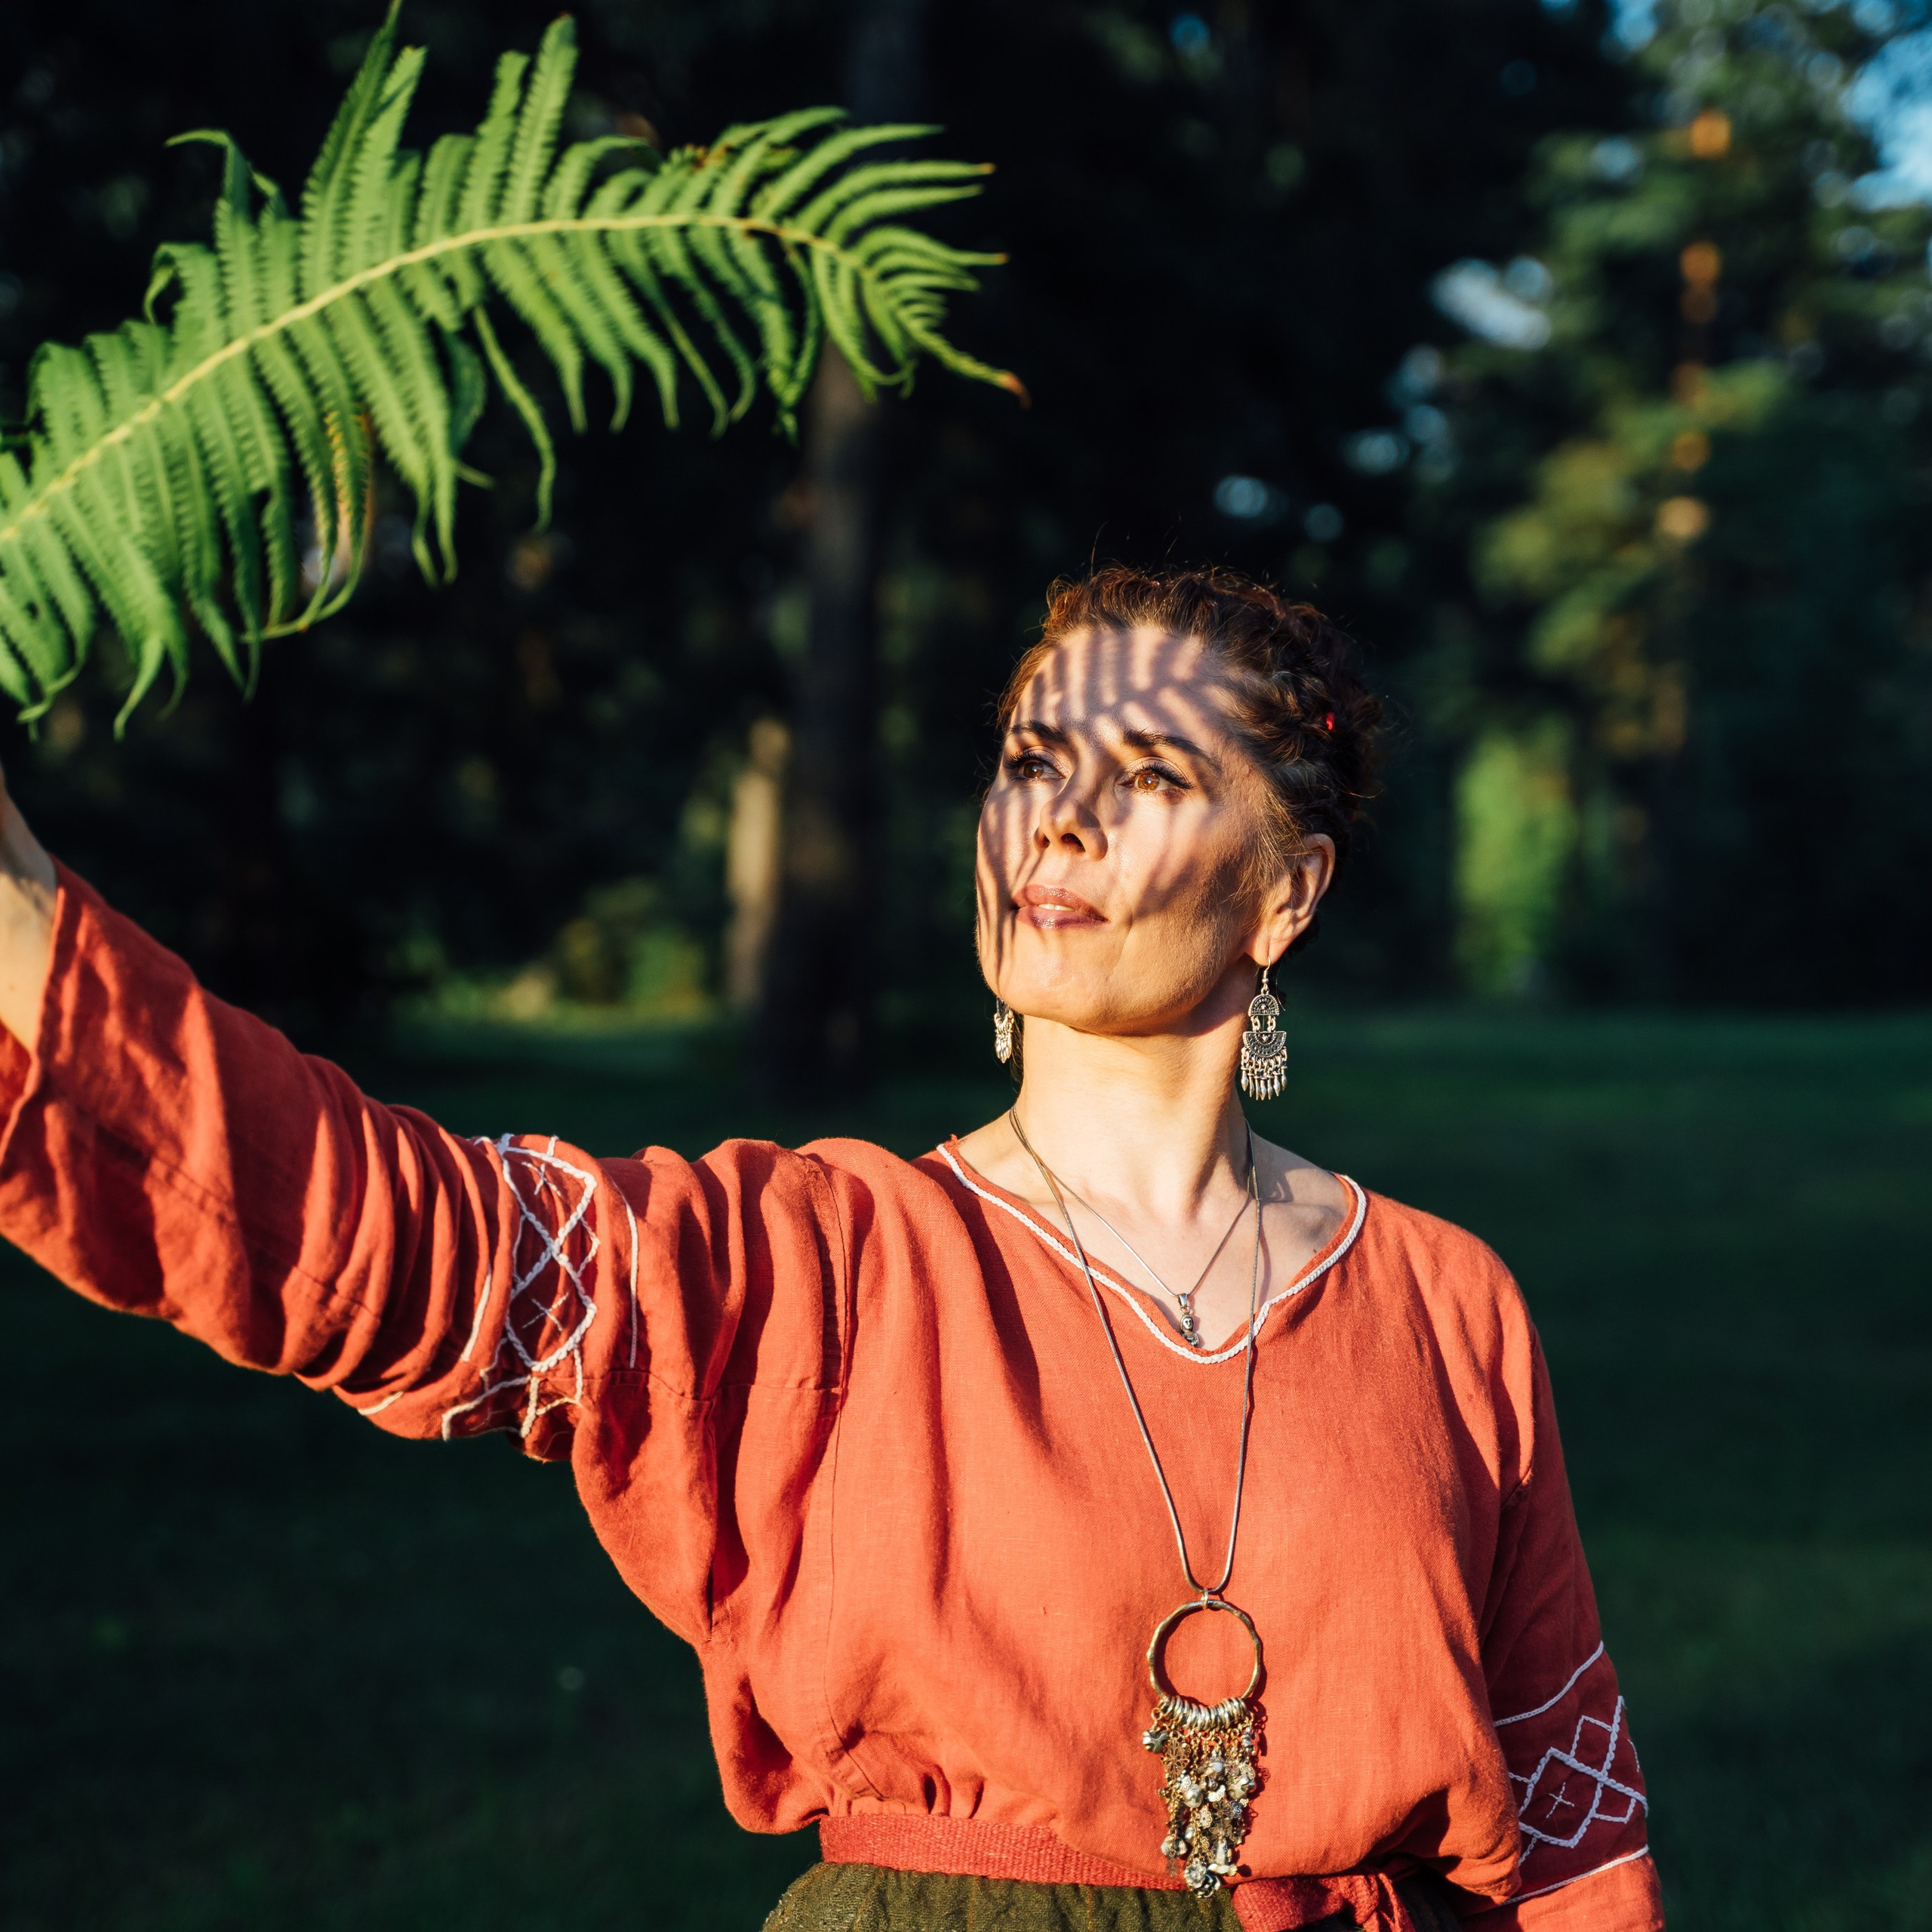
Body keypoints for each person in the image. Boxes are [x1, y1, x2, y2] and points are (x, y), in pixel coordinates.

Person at [0, 567, 1660, 1932]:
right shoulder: (818, 1260)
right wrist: (19, 918)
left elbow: (1571, 1830)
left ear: (1282, 894)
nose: (1057, 823)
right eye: (1030, 758)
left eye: (1145, 777)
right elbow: (388, 1230)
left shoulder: (1444, 1302)